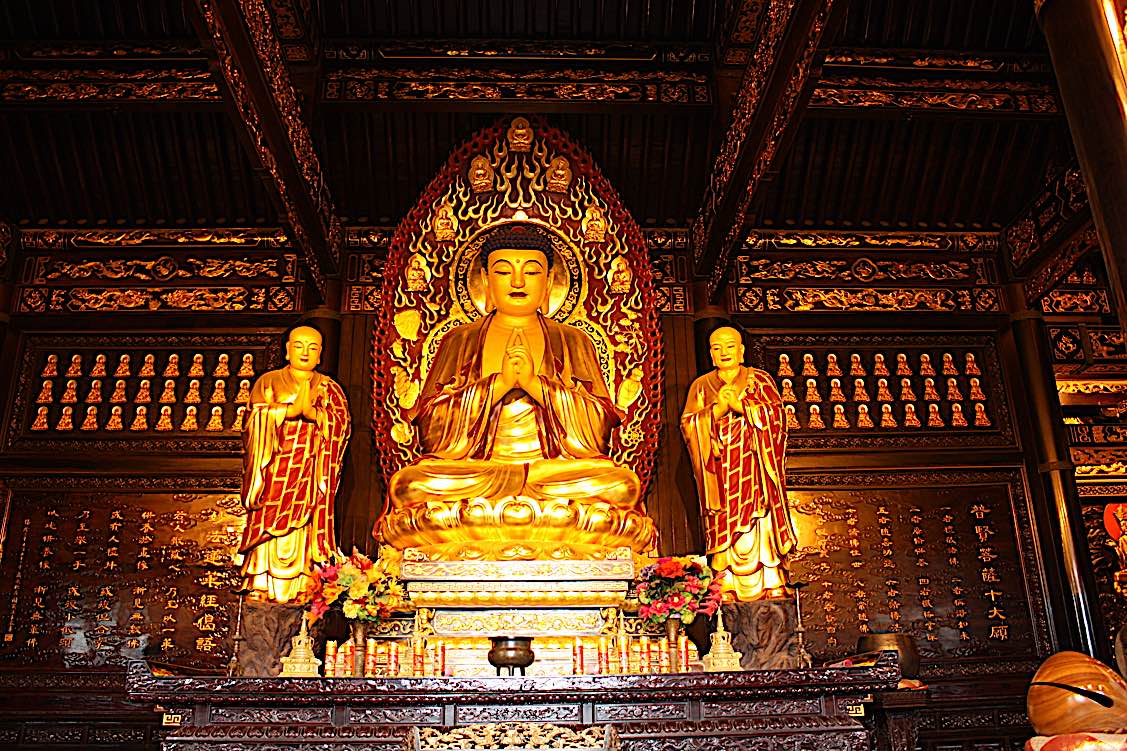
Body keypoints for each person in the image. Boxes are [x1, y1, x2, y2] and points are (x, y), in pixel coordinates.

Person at [377, 223, 653, 558]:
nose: (518, 282)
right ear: (486, 282)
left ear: (549, 282)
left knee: (620, 485)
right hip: (479, 472)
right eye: (504, 271)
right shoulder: (459, 340)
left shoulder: (573, 340)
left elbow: (598, 429)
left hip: (551, 474)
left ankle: (487, 526)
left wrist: (536, 386)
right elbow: (431, 428)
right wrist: (500, 385)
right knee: (411, 485)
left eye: (532, 272)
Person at [681, 326, 797, 601]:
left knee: (760, 521)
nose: (724, 352)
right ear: (710, 354)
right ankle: (727, 583)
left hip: (754, 468)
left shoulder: (759, 380)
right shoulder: (701, 386)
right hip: (720, 471)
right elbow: (688, 425)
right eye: (717, 348)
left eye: (730, 346)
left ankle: (771, 580)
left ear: (742, 350)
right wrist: (718, 409)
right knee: (723, 524)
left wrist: (742, 407)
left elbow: (777, 418)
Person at [238, 325, 351, 603]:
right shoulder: (270, 381)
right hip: (275, 470)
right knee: (270, 525)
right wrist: (287, 412)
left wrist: (314, 414)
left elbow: (342, 425)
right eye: (299, 345)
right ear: (287, 350)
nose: (305, 352)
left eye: (312, 347)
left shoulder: (329, 387)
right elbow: (253, 421)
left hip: (311, 471)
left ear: (320, 355)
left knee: (306, 525)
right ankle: (262, 581)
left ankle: (304, 583)